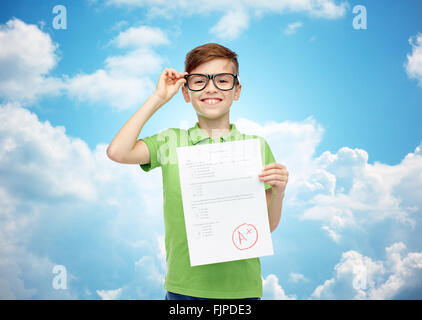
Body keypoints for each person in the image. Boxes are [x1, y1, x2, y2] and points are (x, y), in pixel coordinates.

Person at [106, 43, 289, 300]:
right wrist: (158, 97)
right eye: (200, 81)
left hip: (242, 289)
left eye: (222, 80)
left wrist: (279, 192)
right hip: (185, 288)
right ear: (185, 92)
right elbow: (118, 152)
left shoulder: (255, 147)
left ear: (237, 91)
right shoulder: (170, 141)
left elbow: (267, 226)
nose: (211, 88)